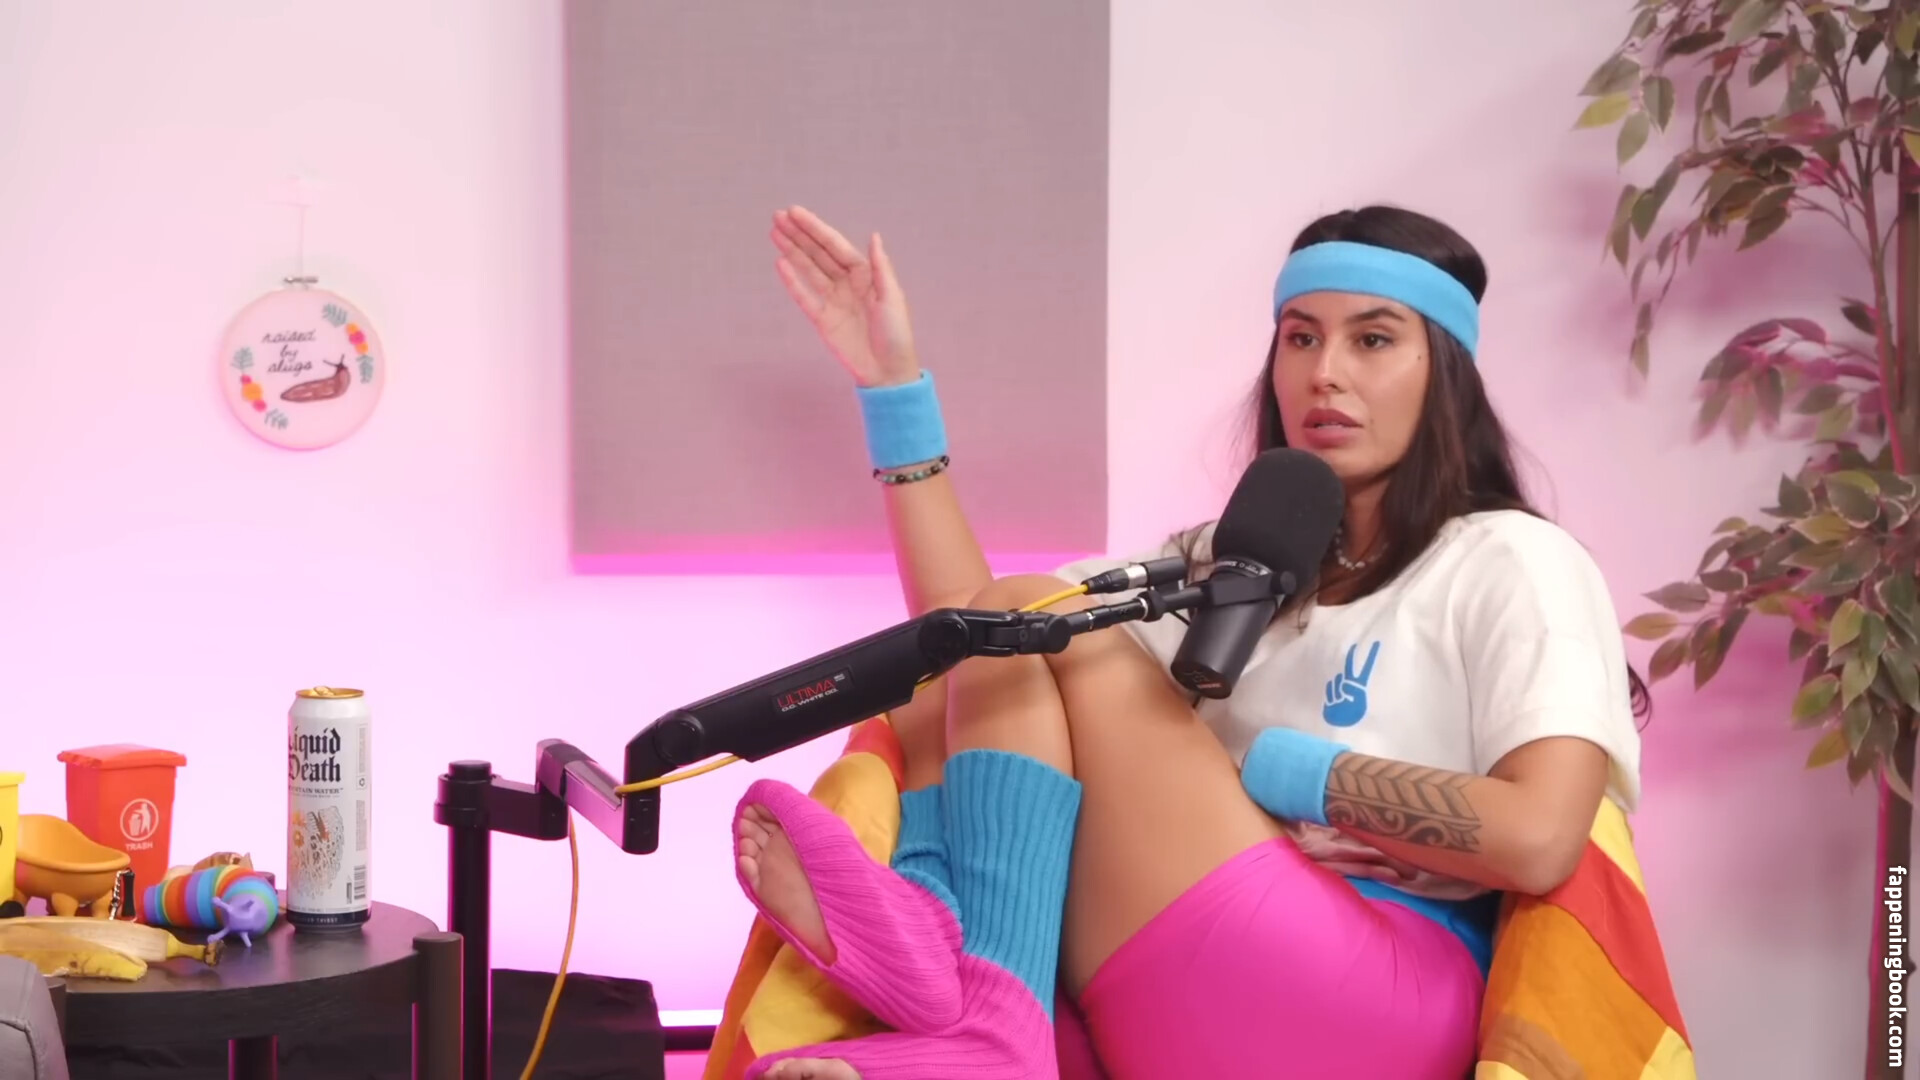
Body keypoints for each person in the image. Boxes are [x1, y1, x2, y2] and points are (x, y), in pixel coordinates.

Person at [728, 203, 1649, 1079]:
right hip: (1183, 980)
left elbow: (1540, 838)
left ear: (1443, 370)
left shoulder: (1510, 558)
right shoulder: (1233, 560)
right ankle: (958, 968)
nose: (1325, 374)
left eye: (1372, 340)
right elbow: (972, 636)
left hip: (1377, 997)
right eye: (1301, 338)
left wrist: (1274, 774)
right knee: (974, 648)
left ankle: (972, 989)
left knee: (1029, 622)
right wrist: (894, 393)